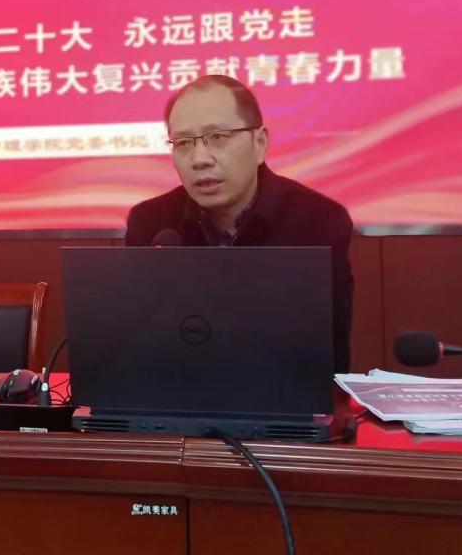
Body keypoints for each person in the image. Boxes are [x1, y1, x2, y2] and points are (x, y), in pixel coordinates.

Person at [125, 75, 355, 373]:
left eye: (218, 137)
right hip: (177, 391)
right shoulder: (150, 223)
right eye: (183, 143)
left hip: (282, 393)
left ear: (259, 143)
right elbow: (138, 349)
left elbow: (329, 357)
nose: (199, 159)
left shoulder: (318, 221)